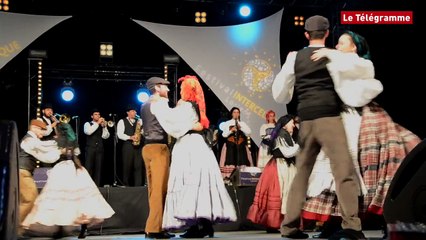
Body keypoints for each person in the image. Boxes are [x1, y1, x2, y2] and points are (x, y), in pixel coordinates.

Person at [301, 31, 421, 238]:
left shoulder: (361, 64)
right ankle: (334, 222)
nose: (337, 46)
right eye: (335, 44)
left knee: (366, 168)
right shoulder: (334, 61)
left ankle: (385, 222)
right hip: (338, 116)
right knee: (334, 171)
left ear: (354, 47)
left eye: (341, 43)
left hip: (359, 116)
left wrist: (329, 53)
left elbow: (351, 80)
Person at [271, 15, 365, 239]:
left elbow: (279, 94)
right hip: (330, 119)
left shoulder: (294, 57)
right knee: (344, 173)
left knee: (302, 174)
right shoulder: (335, 56)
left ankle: (290, 227)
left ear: (306, 34)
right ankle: (352, 226)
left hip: (306, 121)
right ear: (327, 33)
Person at [160, 75, 237, 238]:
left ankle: (198, 226)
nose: (181, 90)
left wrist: (162, 107)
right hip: (197, 145)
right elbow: (196, 125)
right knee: (198, 184)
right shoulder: (196, 107)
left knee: (191, 183)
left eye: (182, 88)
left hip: (190, 145)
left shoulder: (187, 106)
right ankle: (204, 225)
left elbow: (174, 126)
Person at [22, 119, 115, 239]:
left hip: (62, 169)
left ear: (58, 130)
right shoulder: (72, 141)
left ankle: (60, 230)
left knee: (59, 201)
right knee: (81, 200)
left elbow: (51, 156)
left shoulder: (56, 141)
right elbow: (77, 152)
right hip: (76, 169)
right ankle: (83, 229)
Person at [247, 114, 299, 233]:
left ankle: (282, 222)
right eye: (292, 123)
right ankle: (273, 223)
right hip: (279, 166)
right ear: (285, 124)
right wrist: (300, 145)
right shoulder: (280, 135)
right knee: (279, 192)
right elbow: (287, 153)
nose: (294, 125)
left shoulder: (286, 135)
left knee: (286, 192)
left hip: (285, 165)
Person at [140, 77, 175, 239]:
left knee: (154, 189)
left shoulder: (144, 104)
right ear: (157, 87)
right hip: (158, 148)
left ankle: (157, 226)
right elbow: (171, 124)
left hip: (147, 147)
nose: (168, 90)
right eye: (165, 87)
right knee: (160, 189)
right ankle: (154, 228)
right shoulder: (160, 103)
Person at [18, 119, 62, 237]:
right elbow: (43, 147)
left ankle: (19, 229)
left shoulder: (33, 140)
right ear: (34, 127)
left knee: (27, 201)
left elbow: (46, 156)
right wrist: (58, 143)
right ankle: (16, 229)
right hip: (22, 173)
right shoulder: (28, 140)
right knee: (30, 199)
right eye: (42, 130)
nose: (43, 134)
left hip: (25, 173)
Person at [219, 107, 253, 181]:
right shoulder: (228, 123)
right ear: (232, 114)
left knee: (242, 160)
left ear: (239, 114)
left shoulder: (242, 123)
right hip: (230, 145)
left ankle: (242, 176)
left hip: (240, 146)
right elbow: (224, 135)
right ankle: (229, 176)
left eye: (237, 112)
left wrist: (241, 128)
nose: (236, 114)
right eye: (234, 112)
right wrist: (231, 130)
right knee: (230, 160)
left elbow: (249, 133)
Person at [117, 105, 144, 186]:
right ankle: (126, 185)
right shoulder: (122, 121)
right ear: (128, 112)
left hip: (138, 146)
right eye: (132, 111)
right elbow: (120, 134)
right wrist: (130, 137)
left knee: (138, 167)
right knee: (127, 166)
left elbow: (144, 131)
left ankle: (138, 186)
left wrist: (141, 132)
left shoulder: (139, 121)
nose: (135, 112)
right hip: (128, 146)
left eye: (135, 111)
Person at [83, 109, 110, 186]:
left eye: (99, 114)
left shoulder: (101, 125)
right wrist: (98, 123)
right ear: (92, 116)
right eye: (96, 114)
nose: (98, 116)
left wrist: (104, 127)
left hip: (100, 149)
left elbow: (106, 136)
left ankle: (97, 186)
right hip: (90, 148)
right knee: (89, 167)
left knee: (99, 168)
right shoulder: (87, 124)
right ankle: (87, 185)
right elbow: (88, 132)